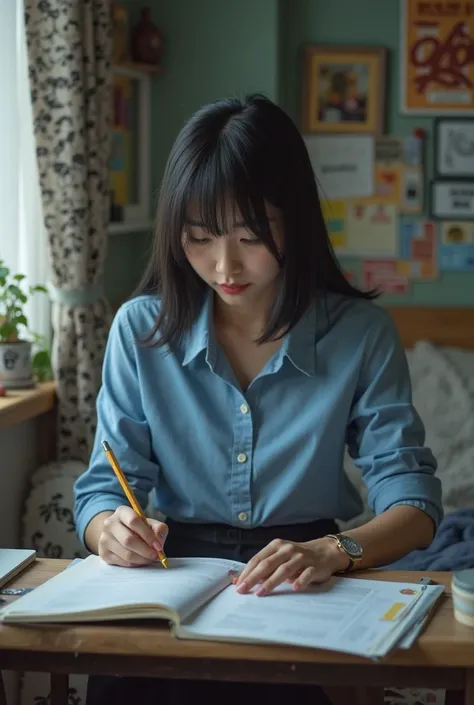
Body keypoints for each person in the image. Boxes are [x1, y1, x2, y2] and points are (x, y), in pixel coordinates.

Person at [74, 94, 442, 705]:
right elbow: (102, 491)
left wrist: (337, 549)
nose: (224, 266)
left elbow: (414, 501)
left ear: (294, 219)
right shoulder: (139, 330)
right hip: (168, 571)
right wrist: (107, 530)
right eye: (199, 238)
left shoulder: (358, 335)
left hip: (306, 566)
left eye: (250, 236)